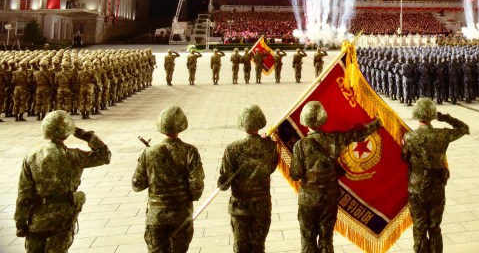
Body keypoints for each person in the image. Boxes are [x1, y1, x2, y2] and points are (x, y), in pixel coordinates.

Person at [289, 101, 382, 253]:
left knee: (307, 240)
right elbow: (359, 134)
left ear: (305, 121)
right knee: (326, 239)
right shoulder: (335, 139)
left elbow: (295, 175)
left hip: (308, 200)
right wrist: (380, 121)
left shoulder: (300, 145)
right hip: (329, 198)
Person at [15, 111, 111, 252]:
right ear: (67, 133)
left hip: (37, 221)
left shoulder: (31, 157)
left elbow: (24, 195)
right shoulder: (74, 156)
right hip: (62, 220)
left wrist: (20, 222)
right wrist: (87, 135)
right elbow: (104, 156)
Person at [132, 105, 205, 253]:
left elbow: (137, 185)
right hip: (181, 215)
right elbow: (196, 186)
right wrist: (188, 197)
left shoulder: (149, 153)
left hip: (156, 217)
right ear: (182, 125)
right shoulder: (190, 151)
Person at [402, 97, 469, 253]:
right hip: (437, 187)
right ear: (432, 115)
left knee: (419, 228)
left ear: (417, 115)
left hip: (417, 189)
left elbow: (404, 158)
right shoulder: (442, 134)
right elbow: (464, 128)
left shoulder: (409, 137)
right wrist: (444, 117)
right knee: (434, 227)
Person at [218, 105, 278, 253]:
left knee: (240, 247)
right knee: (258, 247)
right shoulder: (270, 146)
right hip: (262, 206)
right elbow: (271, 168)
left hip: (240, 208)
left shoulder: (232, 149)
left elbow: (224, 184)